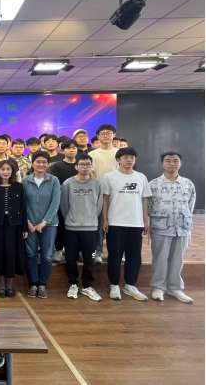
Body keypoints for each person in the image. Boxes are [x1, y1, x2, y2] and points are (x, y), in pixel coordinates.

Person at [102, 147, 151, 301]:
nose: (129, 160)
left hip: (136, 223)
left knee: (134, 256)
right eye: (126, 157)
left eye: (132, 157)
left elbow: (144, 200)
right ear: (118, 160)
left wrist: (145, 220)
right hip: (115, 222)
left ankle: (130, 285)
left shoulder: (141, 177)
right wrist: (105, 219)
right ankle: (114, 285)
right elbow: (105, 200)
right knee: (114, 255)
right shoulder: (109, 177)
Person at [149, 152, 196, 303]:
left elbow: (190, 205)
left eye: (175, 161)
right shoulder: (153, 184)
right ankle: (158, 287)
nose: (171, 164)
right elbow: (149, 206)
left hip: (182, 227)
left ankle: (174, 287)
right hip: (161, 227)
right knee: (160, 258)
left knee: (178, 258)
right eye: (168, 161)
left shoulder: (188, 183)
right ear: (162, 164)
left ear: (180, 163)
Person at [61, 155, 103, 302]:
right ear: (76, 166)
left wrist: (91, 219)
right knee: (70, 258)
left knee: (89, 259)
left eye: (88, 164)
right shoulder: (68, 183)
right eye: (82, 164)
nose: (85, 167)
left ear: (91, 166)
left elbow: (99, 206)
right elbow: (64, 205)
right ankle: (73, 284)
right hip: (72, 227)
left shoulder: (97, 184)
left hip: (91, 228)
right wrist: (71, 219)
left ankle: (87, 286)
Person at [0, 160, 29, 299]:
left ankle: (10, 286)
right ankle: (1, 286)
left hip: (14, 226)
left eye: (8, 169)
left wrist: (24, 228)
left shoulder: (19, 187)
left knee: (12, 255)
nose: (5, 172)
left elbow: (23, 208)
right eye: (3, 169)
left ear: (12, 171)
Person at [22, 152, 61, 300]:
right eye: (38, 161)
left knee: (47, 255)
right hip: (30, 225)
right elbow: (23, 204)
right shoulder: (25, 181)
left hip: (49, 225)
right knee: (31, 254)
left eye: (44, 162)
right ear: (32, 163)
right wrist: (28, 222)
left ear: (48, 164)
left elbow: (55, 203)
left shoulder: (54, 180)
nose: (41, 164)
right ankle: (33, 283)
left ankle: (43, 284)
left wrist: (45, 222)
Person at [90, 124, 119, 264]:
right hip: (98, 194)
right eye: (103, 133)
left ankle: (117, 253)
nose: (106, 135)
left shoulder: (120, 153)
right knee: (99, 224)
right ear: (98, 136)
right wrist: (99, 187)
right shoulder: (92, 154)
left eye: (109, 133)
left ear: (114, 135)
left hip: (116, 194)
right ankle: (98, 251)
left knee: (116, 225)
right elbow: (91, 172)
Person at [50, 139, 79, 263]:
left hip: (78, 199)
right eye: (68, 148)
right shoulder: (57, 165)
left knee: (76, 226)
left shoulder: (80, 164)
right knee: (61, 224)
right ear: (62, 150)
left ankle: (75, 249)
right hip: (62, 199)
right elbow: (55, 183)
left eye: (74, 147)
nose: (71, 150)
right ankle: (58, 249)